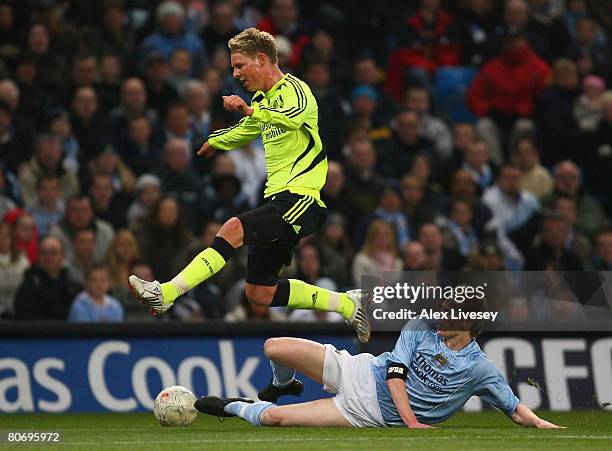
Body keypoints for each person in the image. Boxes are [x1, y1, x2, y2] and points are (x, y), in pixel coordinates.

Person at [129, 28, 370, 342]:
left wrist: (249, 109)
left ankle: (167, 292)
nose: (235, 73)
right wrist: (215, 141)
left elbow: (289, 119)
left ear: (262, 60)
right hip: (279, 202)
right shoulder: (262, 100)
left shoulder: (295, 89)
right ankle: (347, 304)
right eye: (232, 67)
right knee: (259, 293)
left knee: (230, 228)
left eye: (240, 65)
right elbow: (246, 130)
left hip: (302, 199)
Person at [195, 298, 562, 430]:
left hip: (364, 411)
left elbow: (514, 409)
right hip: (361, 370)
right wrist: (412, 422)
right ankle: (281, 385)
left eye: (450, 312)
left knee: (274, 418)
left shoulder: (480, 368)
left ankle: (231, 406)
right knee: (274, 346)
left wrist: (545, 425)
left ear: (467, 325)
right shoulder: (420, 326)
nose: (441, 313)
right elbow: (394, 372)